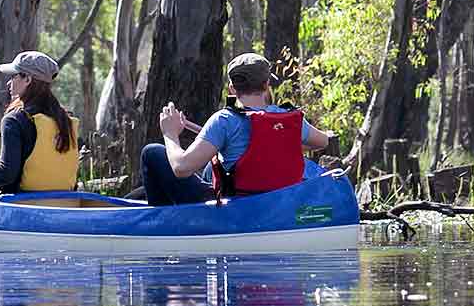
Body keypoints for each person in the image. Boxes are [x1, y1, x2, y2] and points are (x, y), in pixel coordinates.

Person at [142, 53, 334, 205]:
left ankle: (163, 221)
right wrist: (279, 146)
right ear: (266, 85)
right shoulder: (291, 120)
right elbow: (323, 142)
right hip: (278, 204)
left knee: (151, 152)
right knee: (212, 165)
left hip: (236, 209)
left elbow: (181, 168)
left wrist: (170, 134)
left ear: (232, 89)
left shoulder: (224, 120)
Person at [0, 50, 81, 198]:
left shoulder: (14, 120)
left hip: (21, 202)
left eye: (13, 76)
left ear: (28, 79)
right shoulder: (65, 120)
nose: (9, 82)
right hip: (64, 201)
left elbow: (6, 174)